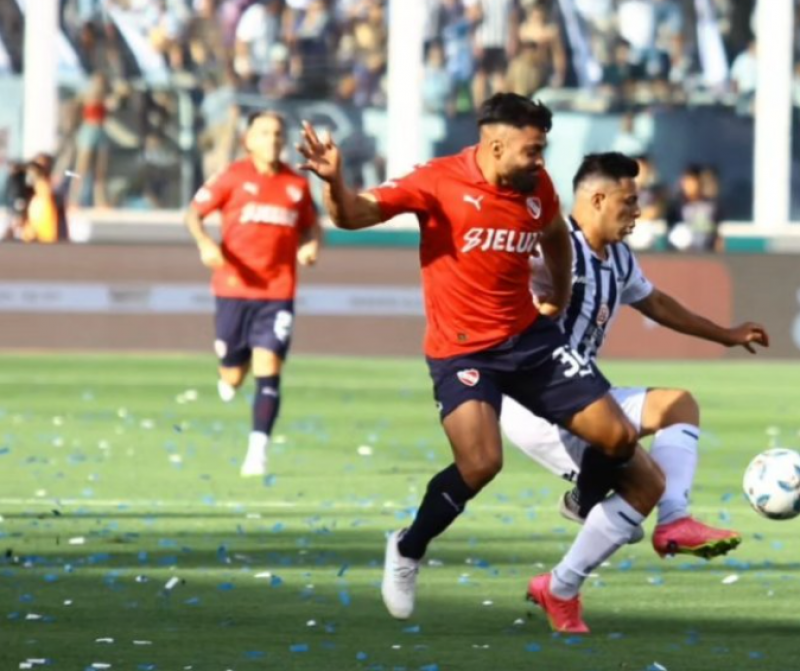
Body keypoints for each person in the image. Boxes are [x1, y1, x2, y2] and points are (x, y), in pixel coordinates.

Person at [294, 93, 664, 634]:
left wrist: (557, 297)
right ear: (495, 143)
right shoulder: (437, 182)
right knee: (480, 463)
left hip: (528, 339)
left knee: (617, 437)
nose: (541, 161)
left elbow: (557, 236)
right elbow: (351, 216)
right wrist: (333, 181)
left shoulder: (536, 186)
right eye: (532, 149)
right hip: (462, 349)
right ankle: (408, 545)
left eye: (544, 149)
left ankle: (583, 501)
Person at [501, 152, 769, 560]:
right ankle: (575, 540)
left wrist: (725, 335)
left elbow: (658, 304)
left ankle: (670, 519)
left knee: (678, 406)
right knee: (642, 488)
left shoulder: (620, 258)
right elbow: (502, 271)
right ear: (596, 200)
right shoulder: (554, 248)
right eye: (628, 201)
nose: (639, 211)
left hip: (586, 397)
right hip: (539, 408)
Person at [184, 111, 321, 478]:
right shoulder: (232, 176)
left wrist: (309, 247)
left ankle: (257, 450)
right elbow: (194, 214)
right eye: (264, 133)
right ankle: (231, 370)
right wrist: (205, 244)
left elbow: (311, 227)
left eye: (278, 133)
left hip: (278, 292)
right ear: (249, 140)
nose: (273, 139)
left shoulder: (297, 185)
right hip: (233, 288)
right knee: (232, 376)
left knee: (269, 366)